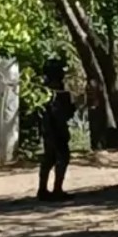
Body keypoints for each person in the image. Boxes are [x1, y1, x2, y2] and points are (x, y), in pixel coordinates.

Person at [38, 58, 74, 201]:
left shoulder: (44, 91)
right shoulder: (56, 92)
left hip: (48, 128)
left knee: (49, 158)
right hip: (55, 128)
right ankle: (56, 190)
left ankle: (43, 189)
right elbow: (61, 113)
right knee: (61, 157)